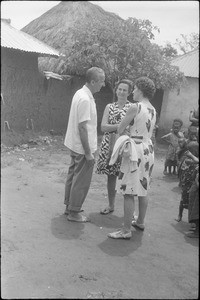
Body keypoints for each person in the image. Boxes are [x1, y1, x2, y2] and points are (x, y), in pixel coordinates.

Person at [107, 76, 156, 239]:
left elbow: (120, 128)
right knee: (143, 187)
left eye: (134, 89)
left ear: (140, 90)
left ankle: (126, 230)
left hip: (135, 149)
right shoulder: (153, 109)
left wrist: (126, 135)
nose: (132, 91)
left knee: (128, 190)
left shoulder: (135, 107)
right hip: (148, 149)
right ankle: (140, 221)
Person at [63, 67, 105, 222]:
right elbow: (82, 127)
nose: (103, 84)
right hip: (82, 147)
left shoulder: (81, 94)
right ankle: (74, 212)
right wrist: (88, 153)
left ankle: (69, 207)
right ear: (93, 81)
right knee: (81, 180)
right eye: (101, 81)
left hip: (75, 145)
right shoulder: (85, 99)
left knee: (73, 177)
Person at [96, 79, 133, 215]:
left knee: (126, 176)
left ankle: (129, 212)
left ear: (129, 93)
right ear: (116, 90)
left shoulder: (133, 108)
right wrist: (121, 127)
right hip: (110, 145)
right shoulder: (109, 107)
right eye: (120, 89)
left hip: (125, 146)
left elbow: (132, 129)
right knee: (111, 176)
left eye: (125, 90)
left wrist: (116, 128)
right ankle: (111, 205)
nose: (122, 92)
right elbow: (103, 127)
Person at [175, 141, 199, 222]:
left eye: (196, 150)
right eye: (192, 150)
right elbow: (194, 162)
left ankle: (191, 220)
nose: (195, 152)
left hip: (194, 184)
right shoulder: (188, 159)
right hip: (187, 183)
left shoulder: (196, 158)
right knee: (183, 200)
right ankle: (180, 215)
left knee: (192, 202)